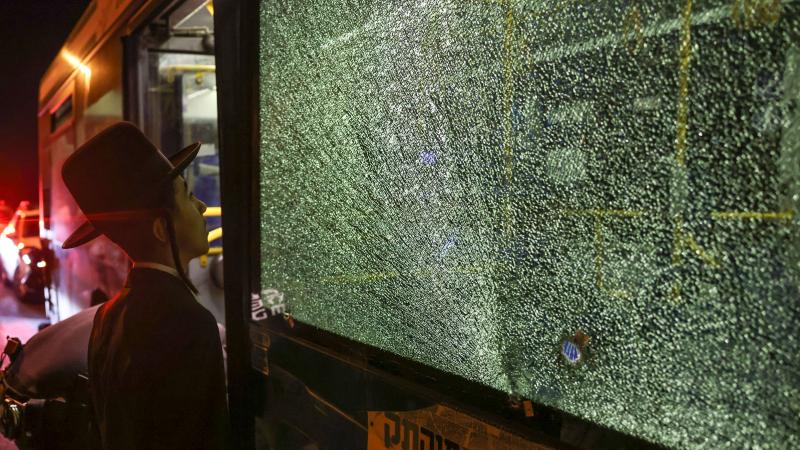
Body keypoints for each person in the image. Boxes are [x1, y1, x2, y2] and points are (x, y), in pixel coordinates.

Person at [60, 122, 229, 450]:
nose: (202, 207)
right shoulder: (190, 325)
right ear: (161, 230)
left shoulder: (107, 316)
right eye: (188, 196)